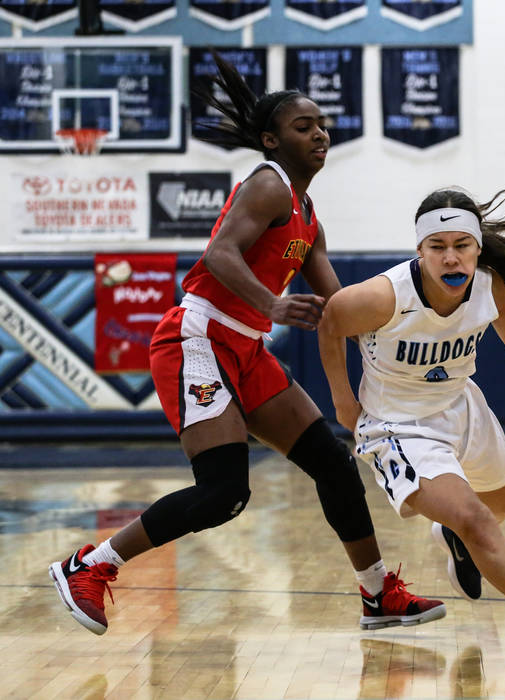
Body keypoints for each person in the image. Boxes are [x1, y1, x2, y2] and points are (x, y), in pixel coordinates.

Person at [48, 54, 444, 635]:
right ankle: (89, 565)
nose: (320, 134)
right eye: (303, 126)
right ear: (271, 140)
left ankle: (377, 594)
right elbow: (218, 255)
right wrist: (274, 304)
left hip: (248, 349)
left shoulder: (308, 216)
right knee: (224, 493)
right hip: (199, 339)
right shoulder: (267, 184)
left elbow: (341, 306)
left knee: (334, 464)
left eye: (322, 124)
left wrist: (415, 321)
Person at [316, 187, 505, 663]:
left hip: (461, 405)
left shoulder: (494, 286)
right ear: (420, 250)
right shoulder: (380, 297)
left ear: (477, 247)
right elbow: (330, 322)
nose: (451, 258)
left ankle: (451, 537)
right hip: (398, 425)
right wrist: (343, 402)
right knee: (475, 520)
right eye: (438, 247)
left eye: (462, 245)